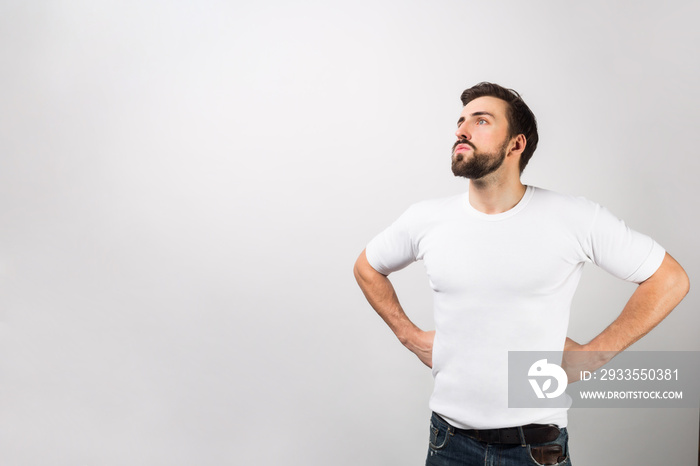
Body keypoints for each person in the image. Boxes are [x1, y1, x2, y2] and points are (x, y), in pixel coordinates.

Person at [353, 82, 690, 466]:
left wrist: (593, 358)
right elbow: (367, 267)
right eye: (461, 121)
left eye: (481, 121)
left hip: (536, 449)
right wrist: (408, 335)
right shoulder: (426, 219)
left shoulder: (573, 218)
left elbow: (670, 279)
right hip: (449, 443)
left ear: (516, 145)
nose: (462, 130)